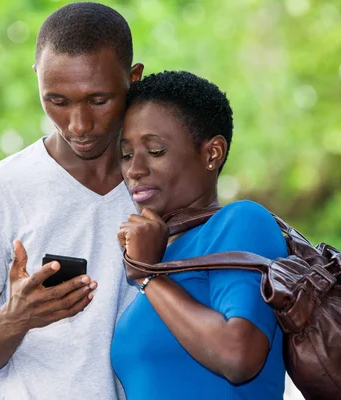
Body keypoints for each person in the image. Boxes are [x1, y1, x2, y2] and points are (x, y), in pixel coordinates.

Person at [0, 3, 144, 399]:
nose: (79, 124)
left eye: (98, 100)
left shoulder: (163, 188)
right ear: (38, 79)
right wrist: (15, 319)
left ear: (134, 79)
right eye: (57, 100)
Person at [112, 71, 287, 399]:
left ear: (212, 153)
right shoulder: (158, 252)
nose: (135, 168)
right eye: (125, 154)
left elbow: (238, 355)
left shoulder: (241, 222)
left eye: (155, 150)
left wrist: (149, 277)